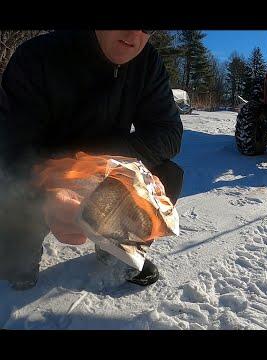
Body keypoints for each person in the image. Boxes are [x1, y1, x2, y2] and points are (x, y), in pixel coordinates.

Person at [0, 30, 184, 290]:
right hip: (47, 171)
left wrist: (103, 165)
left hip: (106, 171)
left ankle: (115, 245)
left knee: (167, 175)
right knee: (10, 261)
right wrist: (47, 187)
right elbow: (11, 145)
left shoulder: (147, 62)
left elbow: (168, 131)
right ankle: (24, 248)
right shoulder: (37, 56)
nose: (134, 34)